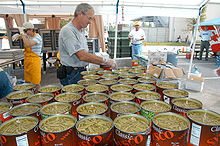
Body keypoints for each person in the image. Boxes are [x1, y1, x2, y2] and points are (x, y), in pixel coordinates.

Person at [58, 3, 117, 86]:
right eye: (89, 18)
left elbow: (85, 52)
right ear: (80, 14)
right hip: (71, 74)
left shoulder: (81, 31)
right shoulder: (68, 31)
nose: (90, 22)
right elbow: (82, 56)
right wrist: (105, 61)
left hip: (80, 71)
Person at [12, 22, 42, 91]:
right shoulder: (28, 36)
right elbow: (22, 36)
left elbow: (28, 44)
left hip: (35, 61)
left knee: (36, 81)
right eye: (24, 31)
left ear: (31, 29)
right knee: (28, 81)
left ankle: (38, 94)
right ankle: (29, 94)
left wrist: (22, 35)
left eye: (25, 31)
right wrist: (18, 36)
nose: (25, 32)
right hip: (27, 60)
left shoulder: (37, 37)